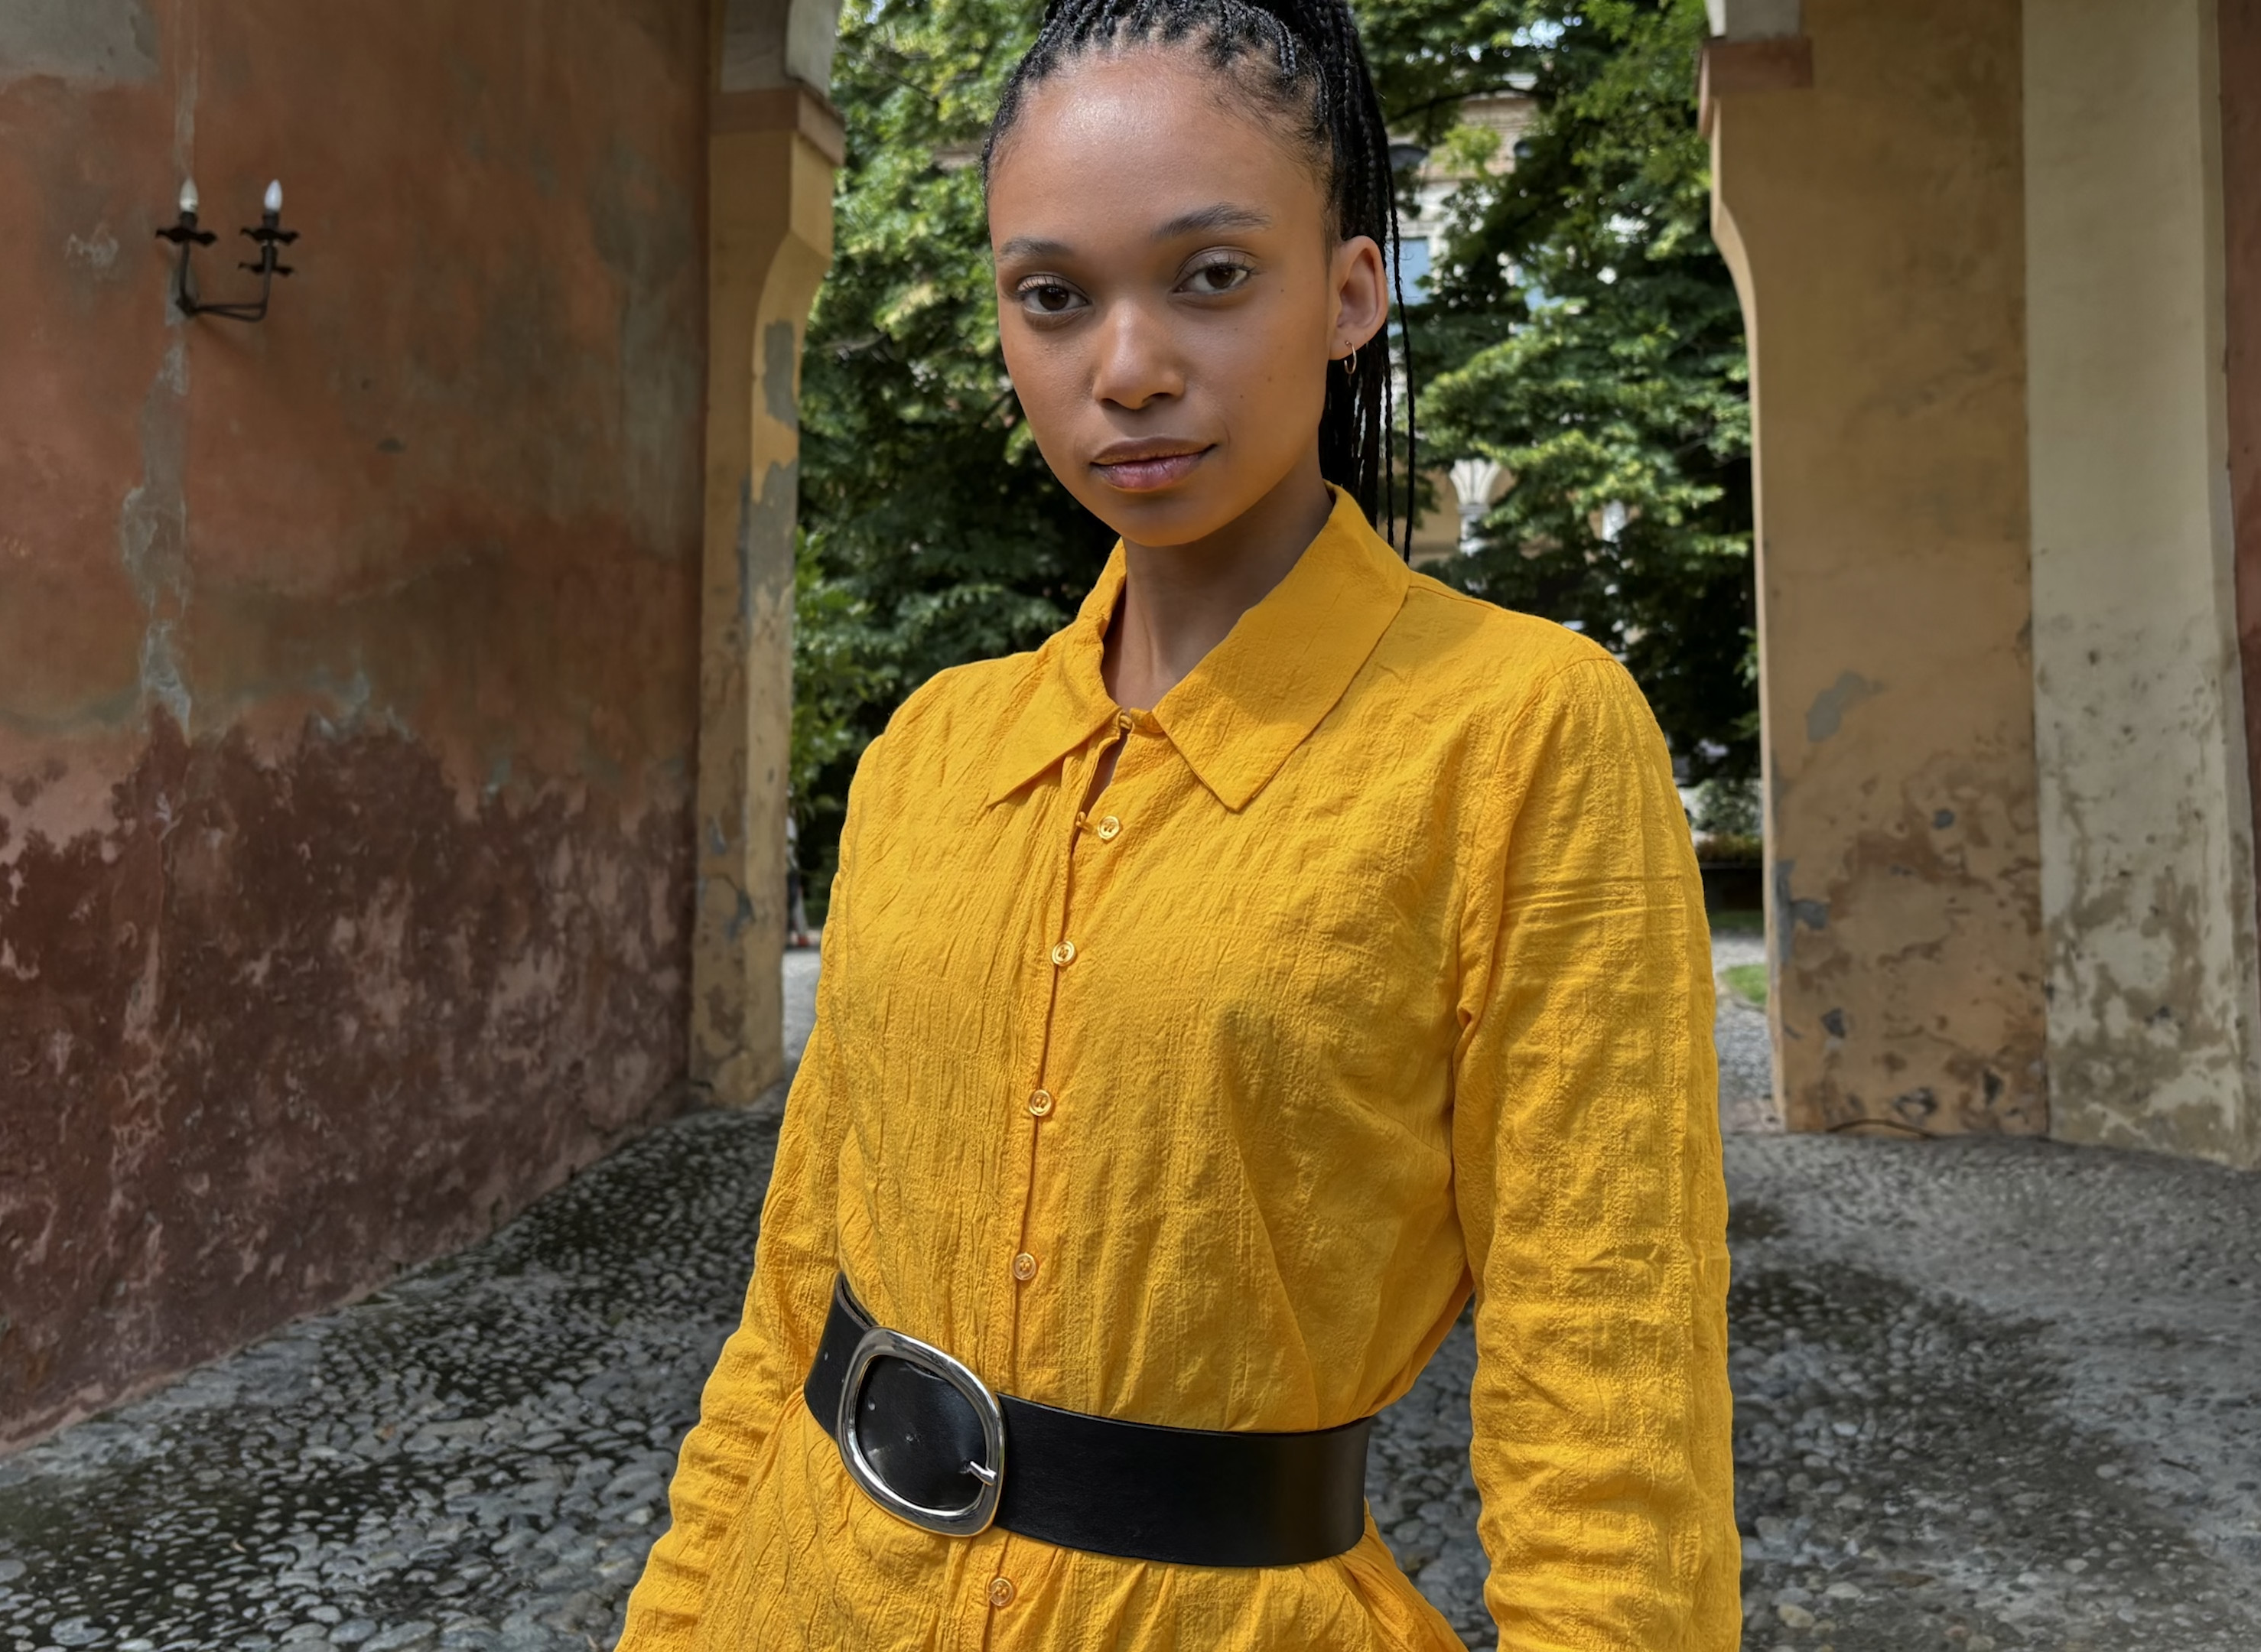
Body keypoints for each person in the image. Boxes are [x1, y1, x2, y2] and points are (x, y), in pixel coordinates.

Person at [614, 1, 1734, 1646]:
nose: (1126, 370)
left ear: (1351, 293)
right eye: (1054, 297)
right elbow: (792, 1306)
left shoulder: (1521, 738)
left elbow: (1610, 1408)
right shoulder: (932, 751)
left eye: (1210, 276)